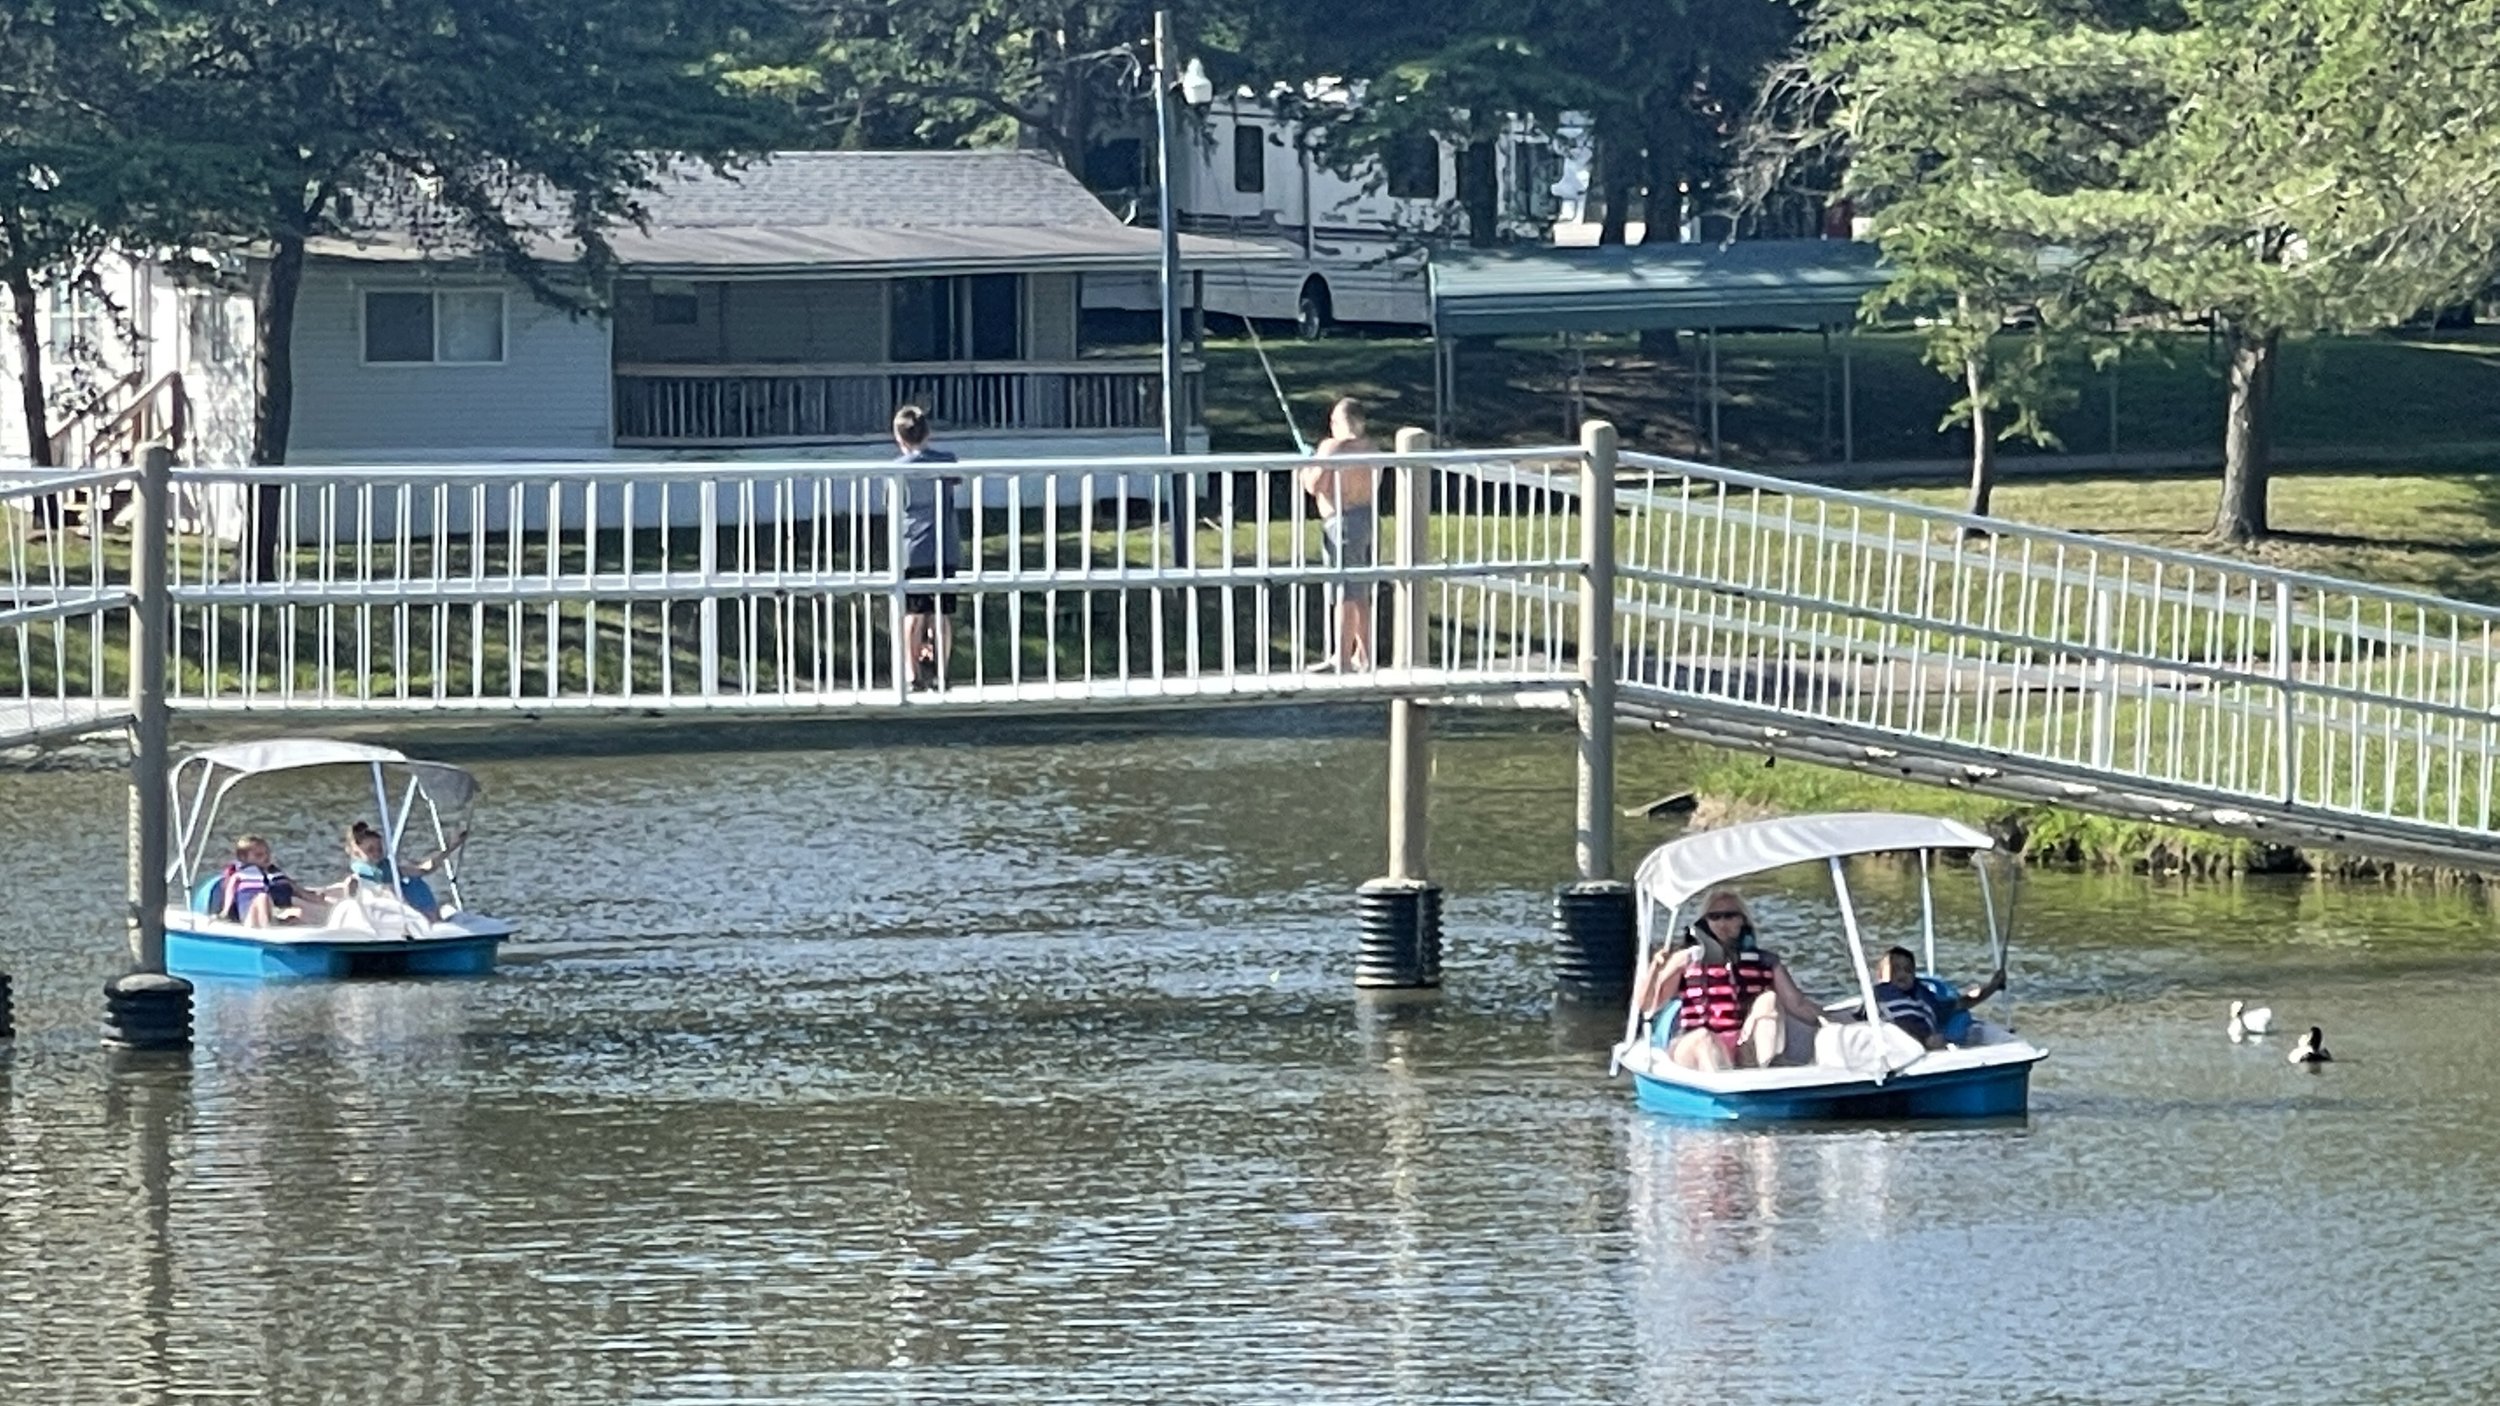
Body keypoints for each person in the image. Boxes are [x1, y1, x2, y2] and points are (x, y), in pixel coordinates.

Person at [1635, 890, 1827, 1071]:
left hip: (1741, 1044)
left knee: (1769, 1000)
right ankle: (1725, 1091)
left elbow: (1798, 1004)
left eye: (1730, 916)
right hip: (1692, 1044)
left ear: (1742, 920)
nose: (1722, 923)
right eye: (1715, 917)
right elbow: (1647, 1005)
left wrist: (1836, 1020)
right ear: (1705, 922)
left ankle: (1767, 1072)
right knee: (1705, 1038)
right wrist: (1655, 969)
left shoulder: (1765, 961)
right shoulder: (1686, 960)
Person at [1297, 397, 1378, 672]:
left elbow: (1316, 484)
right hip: (1366, 517)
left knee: (1343, 590)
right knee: (1360, 589)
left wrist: (1306, 468)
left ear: (1338, 422)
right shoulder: (1372, 448)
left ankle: (1341, 657)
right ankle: (1364, 655)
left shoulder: (1332, 448)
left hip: (1340, 521)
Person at [893, 405, 963, 692]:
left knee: (914, 612)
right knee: (941, 613)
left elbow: (892, 502)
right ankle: (942, 671)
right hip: (944, 546)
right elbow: (957, 479)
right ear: (928, 432)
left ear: (898, 437)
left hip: (913, 547)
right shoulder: (945, 461)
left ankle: (912, 673)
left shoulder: (897, 470)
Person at [1869, 945, 2005, 1049]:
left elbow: (1962, 1003)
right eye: (1895, 969)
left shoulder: (1926, 999)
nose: (1902, 974)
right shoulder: (1878, 995)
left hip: (1924, 1050)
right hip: (1890, 1047)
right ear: (1880, 976)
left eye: (1908, 970)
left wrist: (1993, 986)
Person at [325, 820, 462, 922]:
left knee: (415, 881)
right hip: (382, 919)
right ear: (356, 852)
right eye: (370, 850)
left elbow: (424, 869)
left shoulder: (390, 871)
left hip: (405, 915)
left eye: (379, 849)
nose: (376, 853)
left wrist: (451, 848)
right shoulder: (355, 880)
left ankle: (432, 919)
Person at [217, 833, 298, 926]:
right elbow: (230, 890)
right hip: (248, 916)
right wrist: (225, 910)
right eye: (259, 855)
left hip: (266, 909)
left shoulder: (268, 874)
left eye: (267, 853)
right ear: (243, 858)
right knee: (262, 897)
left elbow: (292, 887)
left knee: (294, 907)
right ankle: (267, 927)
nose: (265, 857)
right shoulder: (241, 874)